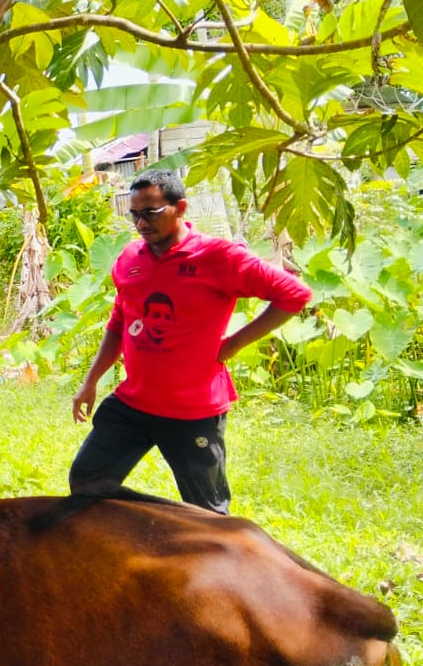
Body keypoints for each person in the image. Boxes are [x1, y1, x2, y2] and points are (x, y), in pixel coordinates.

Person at [69, 168, 312, 513]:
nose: (141, 223)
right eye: (134, 214)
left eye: (151, 212)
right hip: (134, 403)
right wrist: (90, 380)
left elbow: (294, 294)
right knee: (87, 482)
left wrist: (233, 344)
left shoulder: (219, 257)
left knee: (208, 512)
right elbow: (119, 321)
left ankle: (195, 534)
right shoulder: (129, 259)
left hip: (192, 409)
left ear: (180, 207)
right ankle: (162, 528)